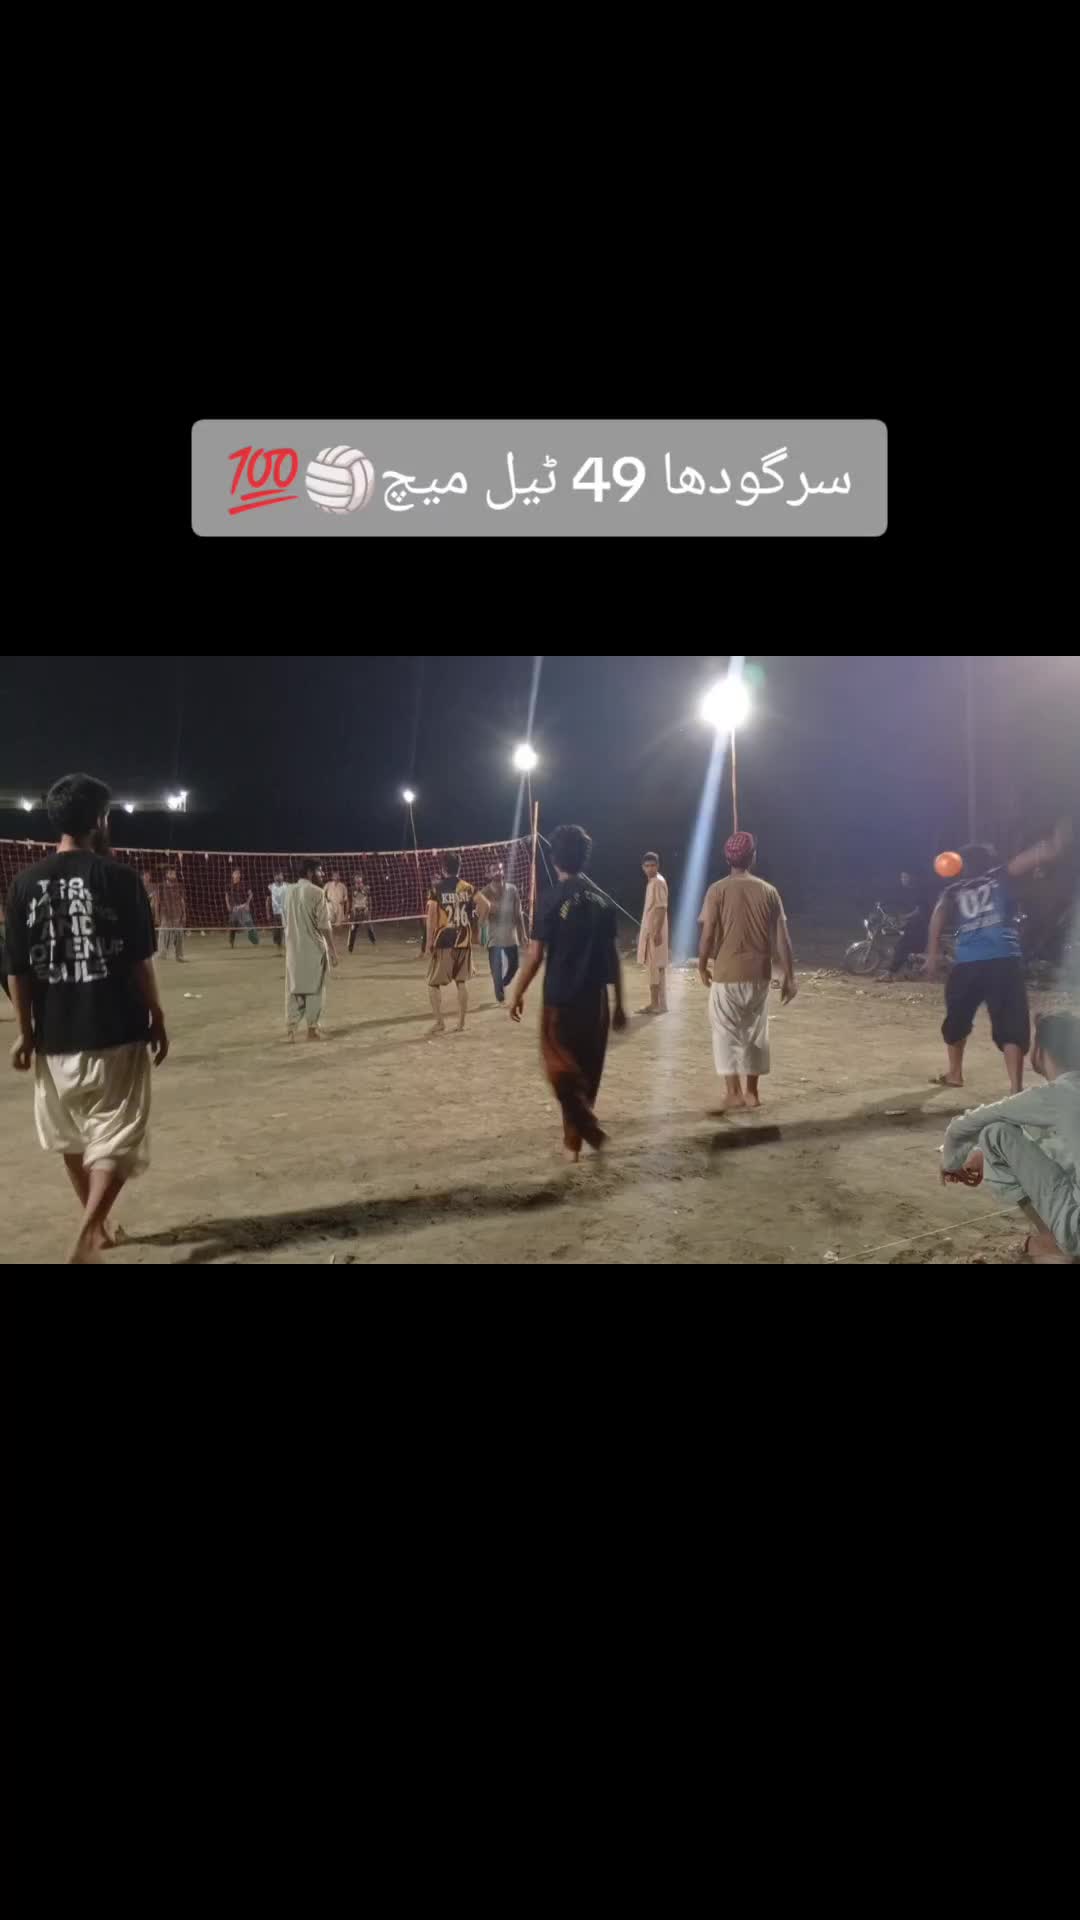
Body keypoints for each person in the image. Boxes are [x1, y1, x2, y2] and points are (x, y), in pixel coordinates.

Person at [4, 772, 168, 1264]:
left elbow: (17, 969)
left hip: (55, 1036)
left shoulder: (23, 884)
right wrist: (157, 1016)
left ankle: (99, 1229)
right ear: (100, 820)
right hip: (116, 1029)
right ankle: (88, 1232)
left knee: (72, 1138)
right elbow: (139, 961)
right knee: (116, 1135)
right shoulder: (120, 879)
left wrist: (25, 1033)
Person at [927, 817, 1072, 1094]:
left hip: (967, 963)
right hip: (1004, 959)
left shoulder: (953, 889)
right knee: (1011, 1022)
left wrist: (932, 953)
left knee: (957, 1018)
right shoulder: (999, 876)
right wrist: (1052, 846)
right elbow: (1027, 859)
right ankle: (1015, 1088)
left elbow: (938, 915)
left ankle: (955, 1074)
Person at [508, 823, 625, 1160]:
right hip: (595, 1003)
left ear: (554, 858)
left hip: (560, 1001)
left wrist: (517, 992)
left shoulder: (550, 899)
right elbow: (612, 955)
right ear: (584, 857)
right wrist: (619, 1004)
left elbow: (535, 955)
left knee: (560, 1070)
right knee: (587, 1071)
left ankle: (584, 1130)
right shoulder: (603, 902)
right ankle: (572, 1145)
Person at [940, 1011, 1080, 1262]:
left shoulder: (1058, 1093)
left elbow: (963, 1126)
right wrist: (979, 1155)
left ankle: (1054, 1243)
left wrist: (951, 1162)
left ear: (1041, 1052)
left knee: (994, 1134)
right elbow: (1047, 1132)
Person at [698, 830, 797, 1111]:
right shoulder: (769, 891)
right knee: (755, 1032)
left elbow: (708, 934)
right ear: (753, 857)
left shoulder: (717, 890)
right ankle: (752, 1093)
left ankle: (734, 1093)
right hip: (759, 974)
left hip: (727, 972)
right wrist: (789, 976)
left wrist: (702, 964)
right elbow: (783, 939)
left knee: (726, 1032)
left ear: (727, 859)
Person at [426, 850, 488, 1035]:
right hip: (464, 939)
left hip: (444, 940)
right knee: (461, 982)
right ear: (459, 867)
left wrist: (429, 942)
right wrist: (478, 924)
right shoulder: (467, 888)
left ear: (443, 868)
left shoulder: (436, 889)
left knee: (433, 984)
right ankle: (461, 1024)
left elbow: (431, 917)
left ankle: (440, 1023)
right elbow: (486, 905)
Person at [283, 859, 337, 1039]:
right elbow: (324, 926)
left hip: (293, 950)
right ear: (310, 873)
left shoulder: (288, 891)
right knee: (315, 989)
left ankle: (291, 1029)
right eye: (320, 871)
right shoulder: (317, 892)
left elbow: (285, 920)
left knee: (294, 988)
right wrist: (333, 951)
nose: (322, 874)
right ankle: (312, 1030)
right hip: (314, 949)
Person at [481, 865, 527, 1003]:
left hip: (510, 936)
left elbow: (518, 914)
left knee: (514, 966)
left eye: (500, 869)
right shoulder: (484, 892)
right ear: (489, 874)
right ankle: (500, 994)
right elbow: (480, 916)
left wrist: (523, 934)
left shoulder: (512, 889)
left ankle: (502, 983)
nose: (498, 872)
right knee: (496, 968)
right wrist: (482, 935)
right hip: (494, 937)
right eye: (494, 870)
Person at [879, 867, 934, 980]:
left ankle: (889, 974)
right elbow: (896, 901)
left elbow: (920, 910)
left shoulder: (919, 891)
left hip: (920, 925)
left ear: (912, 878)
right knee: (908, 949)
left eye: (905, 877)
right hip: (914, 923)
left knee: (902, 947)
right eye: (902, 877)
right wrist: (884, 904)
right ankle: (909, 971)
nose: (902, 879)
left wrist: (905, 917)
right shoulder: (908, 891)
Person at [637, 851, 670, 1013]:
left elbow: (662, 908)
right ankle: (660, 1004)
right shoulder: (653, 882)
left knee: (654, 967)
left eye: (653, 865)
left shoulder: (657, 882)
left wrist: (656, 932)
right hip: (652, 929)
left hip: (656, 931)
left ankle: (655, 1005)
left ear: (658, 866)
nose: (650, 868)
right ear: (643, 867)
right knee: (657, 966)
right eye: (647, 866)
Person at [157, 863, 188, 962]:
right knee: (163, 935)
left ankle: (179, 956)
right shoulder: (161, 886)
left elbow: (182, 901)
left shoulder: (180, 886)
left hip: (177, 914)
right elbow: (158, 901)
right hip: (165, 915)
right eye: (170, 873)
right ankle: (162, 954)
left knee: (179, 936)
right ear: (166, 874)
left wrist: (184, 914)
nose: (173, 875)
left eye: (174, 873)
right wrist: (158, 915)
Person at [226, 867, 257, 948]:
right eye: (235, 873)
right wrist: (228, 905)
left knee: (249, 922)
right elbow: (226, 895)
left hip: (243, 906)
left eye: (238, 873)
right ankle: (231, 942)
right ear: (232, 875)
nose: (237, 875)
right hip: (234, 908)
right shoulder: (229, 885)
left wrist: (247, 904)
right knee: (232, 925)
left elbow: (251, 894)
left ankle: (255, 940)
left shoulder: (245, 884)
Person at [348, 874, 377, 951]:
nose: (358, 882)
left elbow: (369, 898)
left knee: (369, 927)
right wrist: (350, 911)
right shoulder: (352, 889)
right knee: (353, 929)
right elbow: (351, 900)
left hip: (364, 911)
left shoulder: (366, 888)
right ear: (354, 881)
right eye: (357, 881)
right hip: (356, 912)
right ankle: (350, 948)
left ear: (361, 881)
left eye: (359, 881)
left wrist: (370, 909)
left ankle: (374, 942)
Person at [267, 870, 287, 948]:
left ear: (282, 876)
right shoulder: (271, 887)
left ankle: (288, 945)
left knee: (287, 930)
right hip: (276, 913)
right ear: (274, 877)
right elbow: (267, 901)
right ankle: (278, 946)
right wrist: (268, 913)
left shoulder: (287, 886)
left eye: (280, 875)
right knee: (276, 932)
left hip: (286, 912)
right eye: (277, 875)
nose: (278, 877)